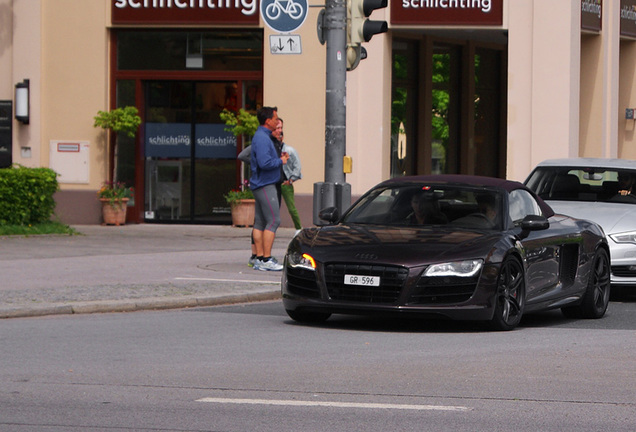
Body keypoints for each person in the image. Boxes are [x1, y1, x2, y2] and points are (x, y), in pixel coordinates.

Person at [249, 106, 289, 271]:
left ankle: (259, 258)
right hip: (266, 184)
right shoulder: (263, 138)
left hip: (260, 184)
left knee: (260, 221)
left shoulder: (261, 136)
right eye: (275, 118)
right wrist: (281, 161)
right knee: (273, 221)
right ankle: (266, 259)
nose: (277, 121)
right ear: (268, 121)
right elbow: (265, 163)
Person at [274, 118, 303, 233]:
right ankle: (272, 229)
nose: (279, 138)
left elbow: (297, 166)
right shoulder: (272, 149)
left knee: (291, 208)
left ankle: (298, 228)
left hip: (285, 182)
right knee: (274, 207)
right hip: (275, 181)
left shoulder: (289, 150)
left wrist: (291, 179)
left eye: (281, 135)